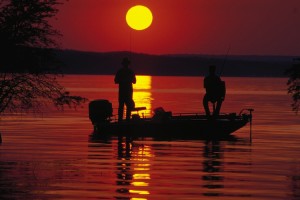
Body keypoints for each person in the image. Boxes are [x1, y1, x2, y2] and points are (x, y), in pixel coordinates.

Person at [114, 57, 136, 122]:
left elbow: (116, 81)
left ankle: (121, 120)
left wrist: (122, 80)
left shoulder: (120, 71)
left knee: (122, 106)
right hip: (127, 92)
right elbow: (134, 81)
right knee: (127, 106)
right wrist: (127, 80)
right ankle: (126, 120)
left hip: (123, 92)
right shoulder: (131, 72)